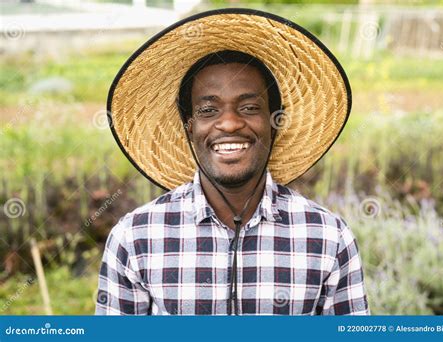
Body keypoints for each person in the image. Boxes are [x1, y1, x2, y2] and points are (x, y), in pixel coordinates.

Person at [95, 8, 369, 315]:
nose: (229, 124)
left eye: (250, 107)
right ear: (189, 127)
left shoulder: (328, 236)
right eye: (208, 111)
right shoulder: (136, 237)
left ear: (274, 122)